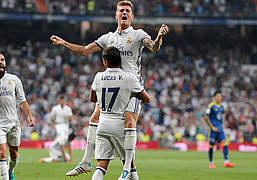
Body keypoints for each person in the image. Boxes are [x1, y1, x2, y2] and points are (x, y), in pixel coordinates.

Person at [50, 0, 169, 177]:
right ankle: (85, 162)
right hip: (112, 84)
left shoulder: (137, 35)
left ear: (132, 16)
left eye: (128, 11)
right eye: (121, 10)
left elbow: (152, 47)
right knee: (94, 118)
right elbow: (84, 51)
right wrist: (64, 43)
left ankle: (127, 167)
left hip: (132, 87)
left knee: (129, 122)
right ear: (116, 15)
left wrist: (158, 37)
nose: (124, 13)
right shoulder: (108, 38)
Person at [90, 46, 150, 180]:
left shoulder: (99, 76)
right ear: (121, 60)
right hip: (120, 125)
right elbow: (147, 99)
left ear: (105, 61)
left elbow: (93, 99)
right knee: (129, 167)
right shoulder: (129, 78)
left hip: (102, 125)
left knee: (100, 167)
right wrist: (130, 98)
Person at [204, 90, 236, 168]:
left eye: (220, 96)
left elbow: (221, 117)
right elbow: (206, 118)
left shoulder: (222, 107)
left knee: (225, 142)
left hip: (220, 128)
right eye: (218, 96)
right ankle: (211, 162)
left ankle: (226, 162)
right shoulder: (210, 106)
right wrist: (212, 127)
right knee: (211, 145)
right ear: (214, 97)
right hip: (213, 129)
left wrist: (223, 125)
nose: (219, 98)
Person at [50, 95, 73, 161]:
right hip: (58, 125)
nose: (62, 101)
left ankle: (59, 154)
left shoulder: (68, 108)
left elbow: (71, 117)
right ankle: (64, 156)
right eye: (61, 100)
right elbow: (52, 117)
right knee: (62, 137)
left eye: (63, 100)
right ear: (59, 101)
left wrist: (67, 118)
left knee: (64, 139)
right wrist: (53, 124)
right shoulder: (55, 108)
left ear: (64, 101)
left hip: (66, 125)